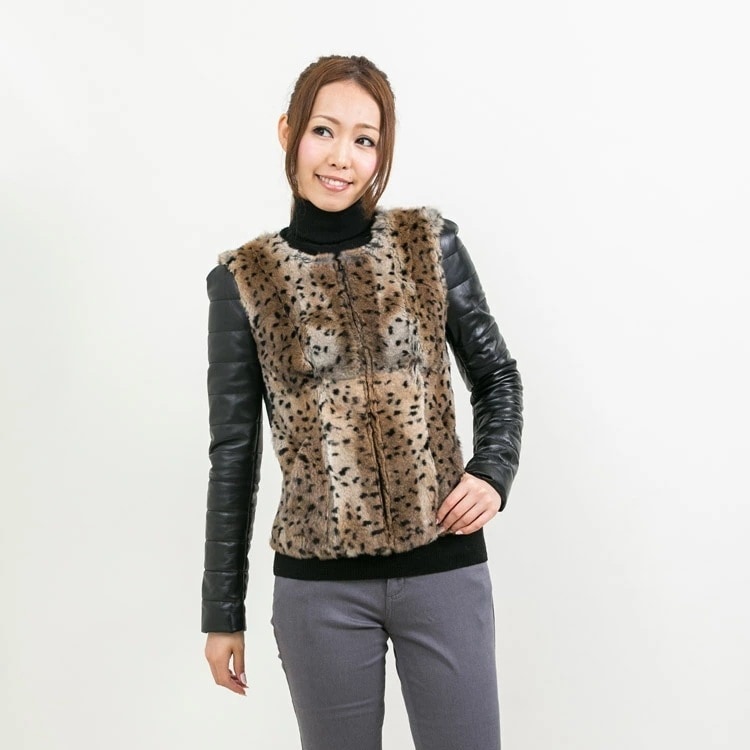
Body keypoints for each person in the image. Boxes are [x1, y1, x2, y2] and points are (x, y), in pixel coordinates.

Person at [201, 54, 524, 750]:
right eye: (323, 130)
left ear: (381, 152)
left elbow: (497, 373)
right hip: (319, 591)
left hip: (444, 566)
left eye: (365, 139)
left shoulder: (428, 244)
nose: (341, 157)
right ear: (288, 132)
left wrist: (492, 471)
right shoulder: (244, 281)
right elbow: (234, 454)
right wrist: (221, 612)